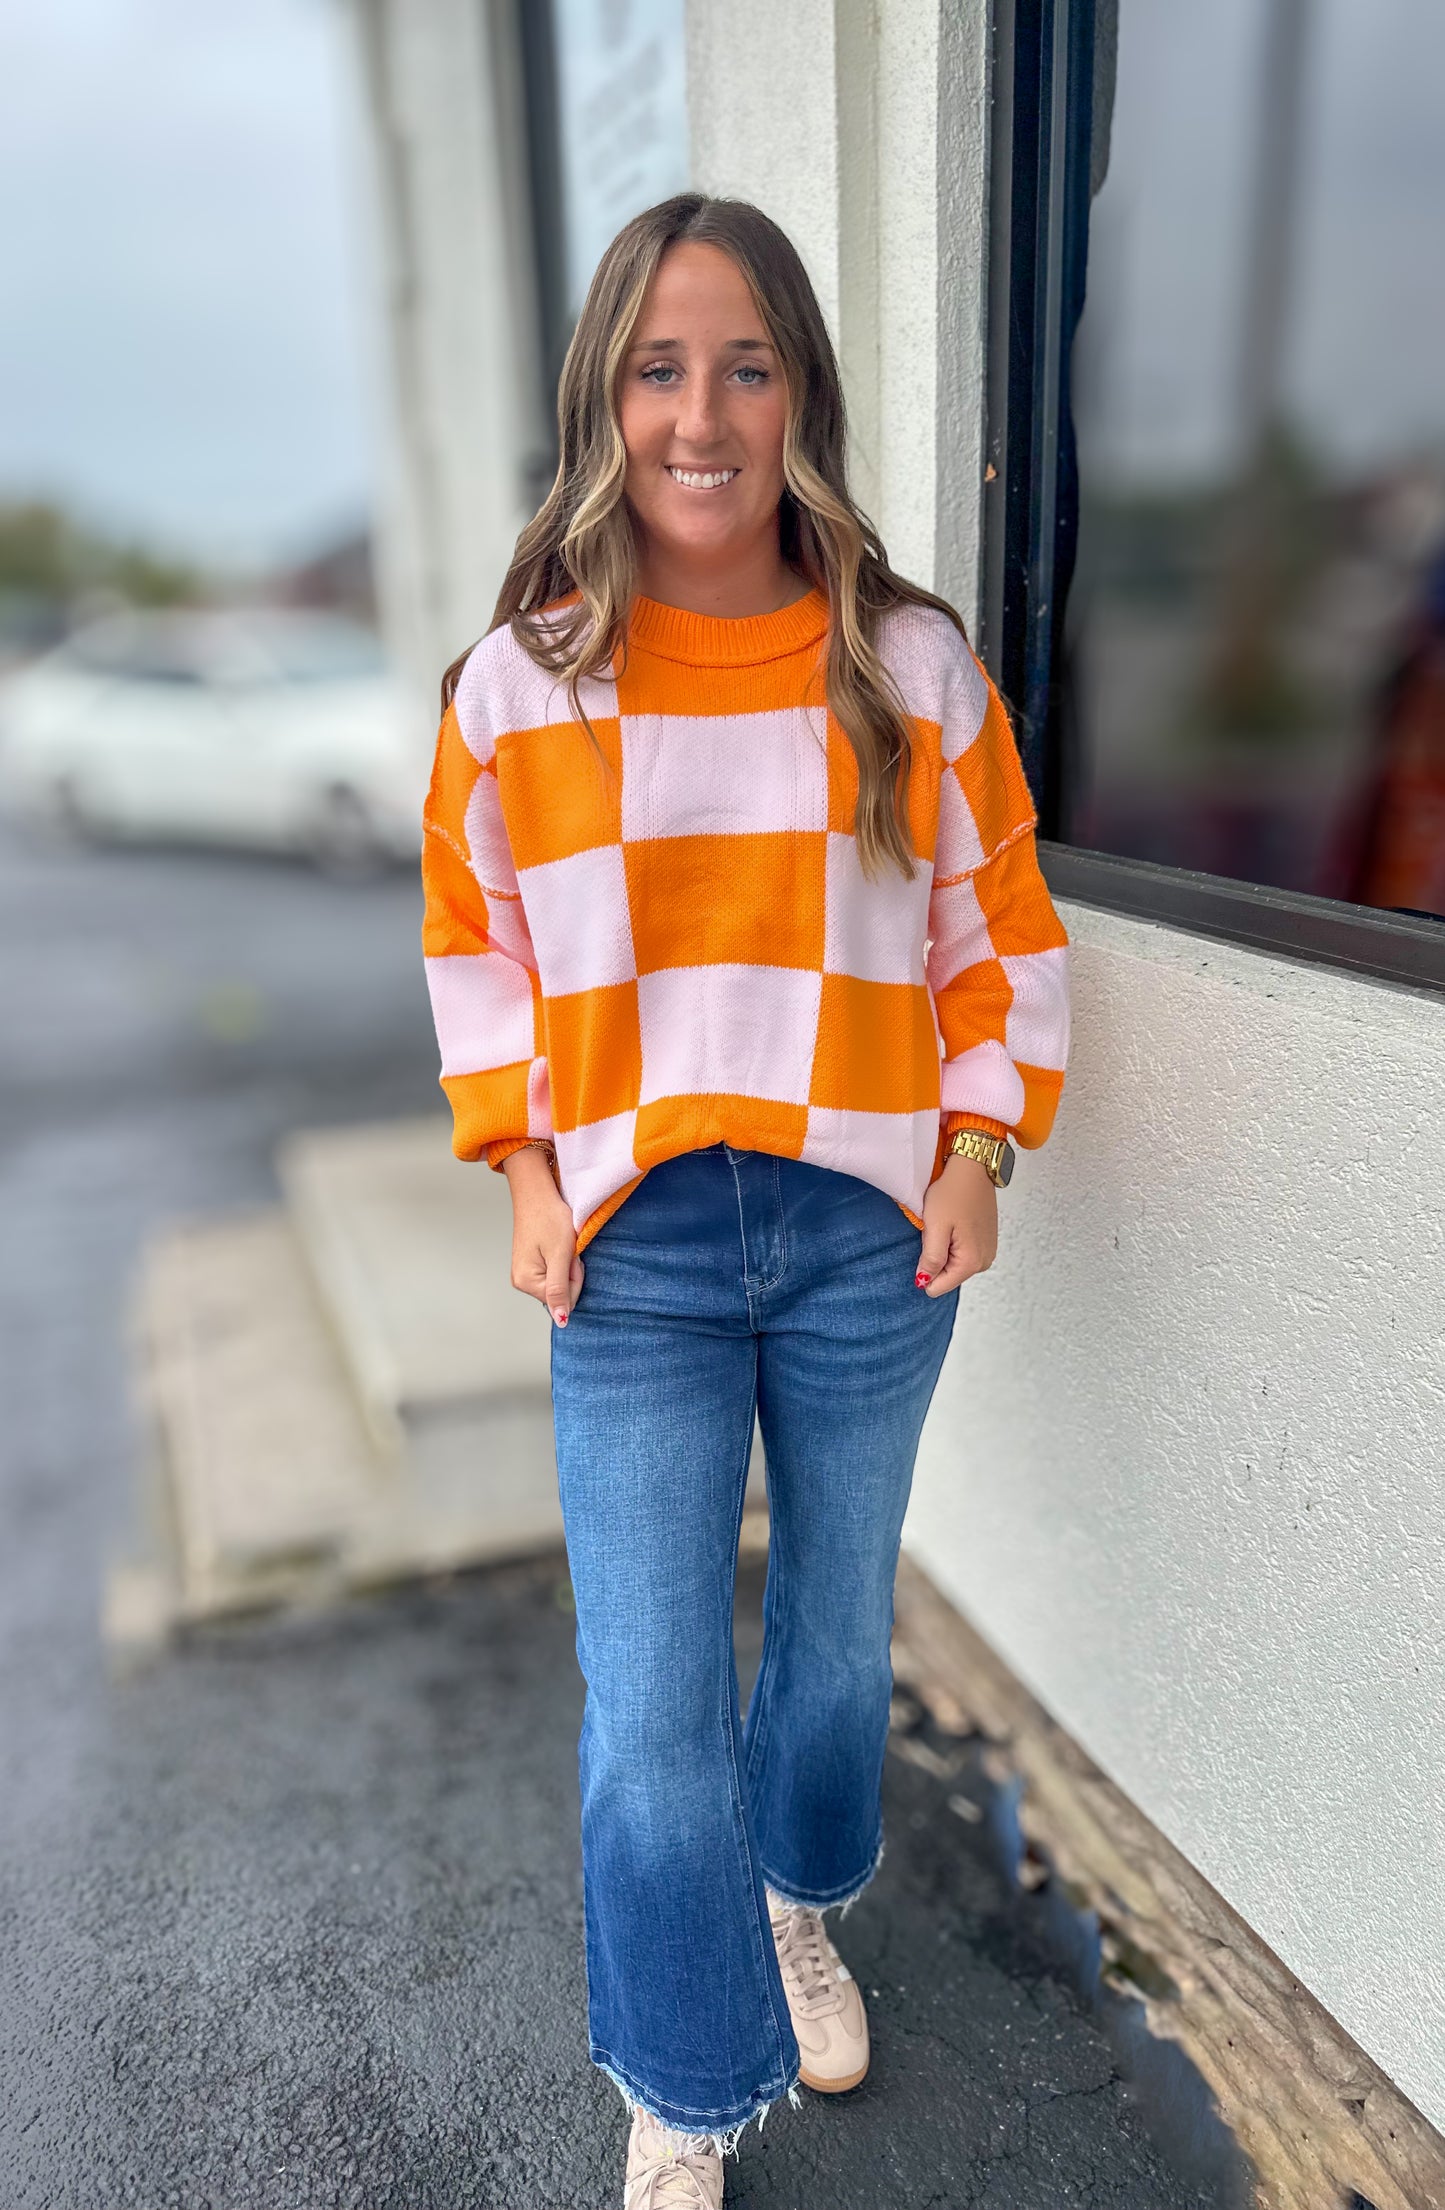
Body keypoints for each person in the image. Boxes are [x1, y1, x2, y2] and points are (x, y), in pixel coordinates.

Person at [420, 193, 1070, 2209]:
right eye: (660, 367)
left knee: (829, 1644)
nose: (704, 413)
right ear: (604, 401)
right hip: (640, 1249)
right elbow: (479, 949)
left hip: (870, 1232)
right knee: (648, 1704)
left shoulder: (911, 660)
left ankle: (797, 1904)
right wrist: (524, 1163)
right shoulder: (524, 689)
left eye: (747, 363)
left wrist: (979, 1141)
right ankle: (685, 2076)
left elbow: (1003, 929)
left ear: (803, 391)